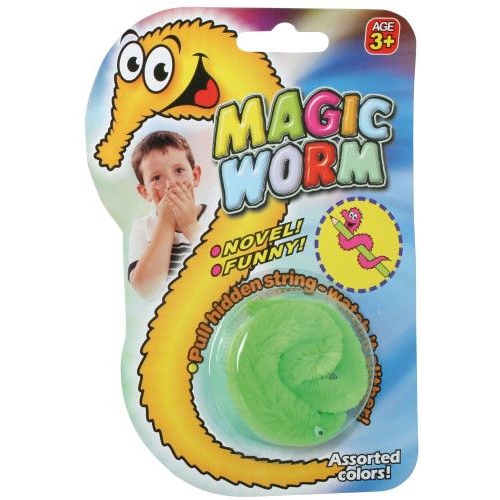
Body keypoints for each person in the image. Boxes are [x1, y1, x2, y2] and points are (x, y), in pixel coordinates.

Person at [128, 131, 209, 299]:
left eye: (179, 170)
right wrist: (166, 222)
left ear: (195, 176)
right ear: (145, 192)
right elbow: (146, 290)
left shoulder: (215, 216)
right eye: (157, 177)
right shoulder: (143, 227)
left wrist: (189, 225)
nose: (171, 183)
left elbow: (225, 269)